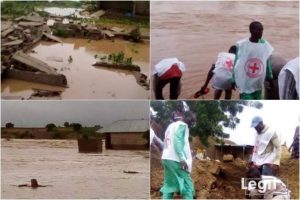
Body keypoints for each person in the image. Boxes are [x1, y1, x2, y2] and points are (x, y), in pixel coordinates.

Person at [233, 21, 274, 100]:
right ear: (251, 30)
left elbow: (266, 62)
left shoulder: (264, 45)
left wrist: (270, 78)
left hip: (258, 83)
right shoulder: (243, 45)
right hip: (245, 83)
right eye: (258, 30)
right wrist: (233, 79)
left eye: (262, 30)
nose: (261, 32)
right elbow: (237, 63)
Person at [160, 111, 196, 199]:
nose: (191, 124)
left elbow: (167, 141)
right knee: (187, 185)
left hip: (166, 158)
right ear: (186, 118)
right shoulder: (182, 125)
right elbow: (177, 140)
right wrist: (182, 159)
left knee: (169, 185)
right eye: (191, 121)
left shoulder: (170, 126)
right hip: (176, 159)